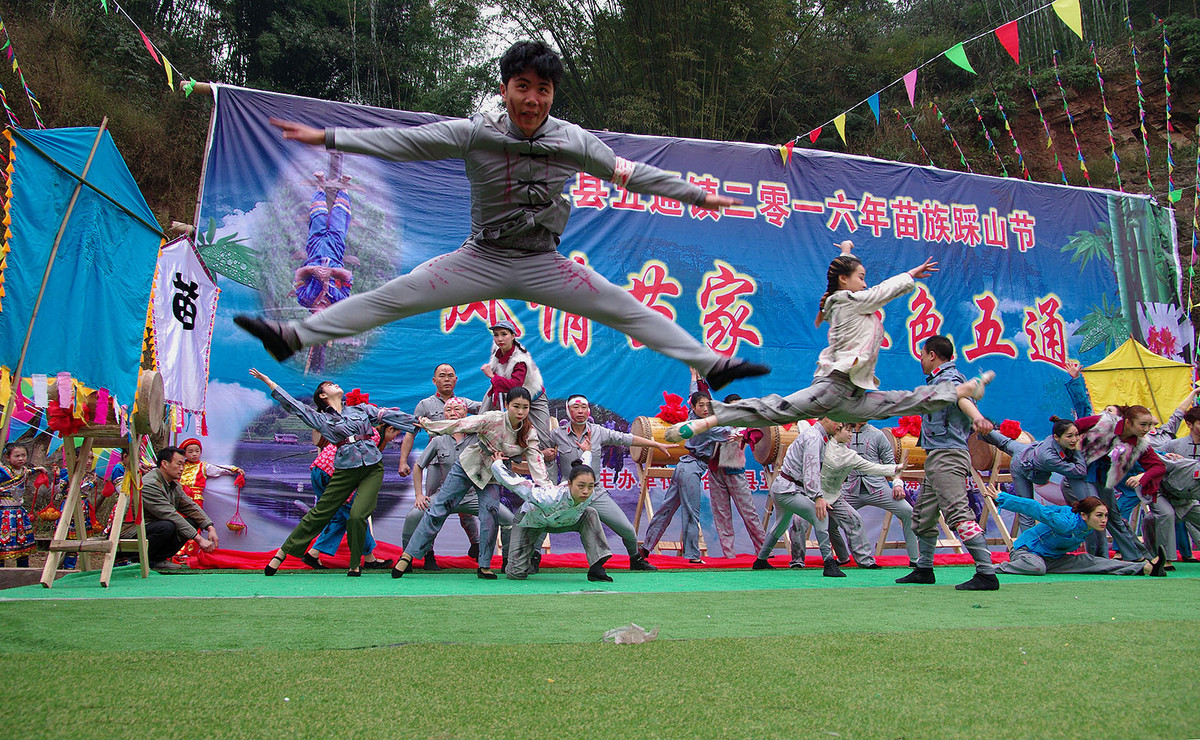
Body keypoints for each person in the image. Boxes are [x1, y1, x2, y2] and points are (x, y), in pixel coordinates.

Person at [234, 40, 767, 392]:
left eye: (543, 90)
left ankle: (711, 365)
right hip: (481, 258)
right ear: (505, 89)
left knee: (624, 307)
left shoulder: (574, 140)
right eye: (523, 87)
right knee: (394, 297)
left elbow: (631, 174)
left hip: (543, 262)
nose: (532, 100)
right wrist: (329, 137)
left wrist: (697, 196)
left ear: (552, 94)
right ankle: (294, 337)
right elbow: (403, 142)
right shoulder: (475, 133)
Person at [665, 243, 993, 442]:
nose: (865, 283)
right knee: (776, 409)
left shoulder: (846, 297)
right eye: (860, 277)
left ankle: (961, 391)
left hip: (853, 397)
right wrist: (910, 275)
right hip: (832, 387)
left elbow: (847, 277)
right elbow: (877, 293)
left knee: (901, 402)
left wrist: (846, 252)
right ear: (845, 281)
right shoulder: (847, 301)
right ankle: (705, 421)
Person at [249, 369, 417, 576]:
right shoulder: (320, 419)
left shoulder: (360, 410)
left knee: (357, 516)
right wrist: (268, 382)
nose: (335, 385)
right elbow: (294, 405)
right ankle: (282, 554)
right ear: (322, 395)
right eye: (329, 385)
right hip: (339, 469)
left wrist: (422, 422)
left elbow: (388, 415)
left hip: (372, 467)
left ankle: (355, 565)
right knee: (321, 512)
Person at [396, 386, 548, 579]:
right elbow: (460, 424)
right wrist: (430, 425)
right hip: (467, 466)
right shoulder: (492, 419)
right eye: (516, 406)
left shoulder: (528, 433)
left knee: (490, 516)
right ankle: (408, 556)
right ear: (507, 405)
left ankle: (484, 565)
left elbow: (536, 462)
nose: (520, 411)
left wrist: (545, 489)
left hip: (491, 475)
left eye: (525, 407)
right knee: (438, 509)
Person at [895, 335, 999, 591]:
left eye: (922, 355)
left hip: (947, 456)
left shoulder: (948, 379)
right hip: (937, 456)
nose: (921, 360)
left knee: (958, 513)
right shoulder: (943, 379)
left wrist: (977, 417)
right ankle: (924, 569)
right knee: (923, 516)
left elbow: (962, 399)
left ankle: (986, 573)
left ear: (932, 355)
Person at [545, 393, 671, 570]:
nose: (580, 411)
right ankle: (532, 556)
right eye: (575, 407)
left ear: (588, 411)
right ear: (568, 411)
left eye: (583, 407)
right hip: (568, 494)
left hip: (595, 493)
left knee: (627, 530)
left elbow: (625, 438)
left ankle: (635, 559)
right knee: (542, 521)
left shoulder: (598, 431)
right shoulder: (556, 434)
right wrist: (544, 453)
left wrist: (655, 444)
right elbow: (534, 449)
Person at [753, 419, 892, 576]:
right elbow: (811, 470)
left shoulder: (817, 436)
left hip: (784, 487)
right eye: (839, 423)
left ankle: (761, 560)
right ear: (827, 419)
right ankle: (829, 563)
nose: (840, 426)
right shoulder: (814, 437)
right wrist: (818, 497)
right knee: (820, 516)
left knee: (780, 525)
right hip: (790, 490)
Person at [404, 397, 504, 570]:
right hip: (446, 495)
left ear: (466, 413)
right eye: (448, 410)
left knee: (508, 519)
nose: (452, 413)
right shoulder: (438, 439)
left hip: (473, 496)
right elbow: (418, 466)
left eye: (457, 409)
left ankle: (508, 561)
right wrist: (419, 495)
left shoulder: (478, 436)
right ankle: (407, 560)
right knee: (413, 516)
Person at [981, 485, 1166, 577]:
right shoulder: (1066, 523)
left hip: (1054, 559)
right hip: (1027, 553)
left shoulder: (1087, 526)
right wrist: (1002, 498)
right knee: (1037, 567)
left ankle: (1146, 568)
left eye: (1105, 516)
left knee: (1093, 561)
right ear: (1084, 515)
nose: (1104, 520)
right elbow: (1036, 508)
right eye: (1099, 515)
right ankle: (993, 568)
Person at [491, 446, 613, 582]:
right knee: (516, 574)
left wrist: (587, 452)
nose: (586, 491)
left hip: (566, 521)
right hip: (532, 521)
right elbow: (516, 484)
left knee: (590, 513)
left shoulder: (589, 493)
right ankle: (529, 556)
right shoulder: (548, 496)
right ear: (569, 484)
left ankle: (596, 568)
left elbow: (584, 467)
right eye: (581, 486)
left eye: (590, 487)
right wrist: (497, 464)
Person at [1065, 405, 1163, 563]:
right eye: (1143, 425)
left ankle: (1138, 556)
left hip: (1102, 479)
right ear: (1128, 422)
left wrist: (1142, 477)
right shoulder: (1104, 423)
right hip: (1080, 474)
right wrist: (1073, 449)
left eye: (1149, 425)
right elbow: (1069, 429)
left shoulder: (1140, 443)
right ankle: (1098, 559)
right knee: (1094, 513)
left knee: (1113, 517)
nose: (1147, 429)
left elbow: (1159, 466)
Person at [638, 390, 724, 564]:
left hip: (683, 467)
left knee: (666, 508)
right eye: (701, 405)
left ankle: (645, 547)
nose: (705, 408)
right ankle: (692, 555)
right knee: (691, 512)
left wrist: (694, 378)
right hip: (690, 469)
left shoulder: (692, 417)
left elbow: (694, 394)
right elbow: (727, 431)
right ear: (693, 407)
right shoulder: (706, 427)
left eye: (708, 405)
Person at [303, 426, 396, 570]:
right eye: (396, 434)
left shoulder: (363, 428)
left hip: (319, 470)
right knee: (356, 516)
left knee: (339, 516)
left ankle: (313, 554)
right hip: (333, 474)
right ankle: (369, 558)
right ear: (389, 429)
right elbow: (358, 464)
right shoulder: (374, 435)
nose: (394, 439)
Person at [978, 418, 1087, 532]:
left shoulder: (1057, 441)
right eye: (1069, 436)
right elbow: (1080, 472)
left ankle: (981, 430)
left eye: (1077, 435)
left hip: (1027, 448)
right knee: (1026, 509)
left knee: (1006, 443)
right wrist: (1078, 451)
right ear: (1056, 437)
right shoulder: (1049, 458)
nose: (1075, 440)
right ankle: (1028, 542)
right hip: (1021, 465)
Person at [123, 446, 219, 570]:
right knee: (167, 526)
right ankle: (135, 560)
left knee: (192, 522)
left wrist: (210, 527)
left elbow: (190, 506)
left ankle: (157, 560)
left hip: (152, 527)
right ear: (164, 464)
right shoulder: (149, 484)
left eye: (183, 464)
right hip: (131, 531)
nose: (182, 468)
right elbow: (169, 514)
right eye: (178, 464)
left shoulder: (173, 484)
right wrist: (199, 539)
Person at [843, 422, 919, 565]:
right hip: (850, 489)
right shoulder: (842, 433)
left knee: (907, 511)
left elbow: (891, 464)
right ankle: (842, 559)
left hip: (877, 487)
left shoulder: (877, 435)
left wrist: (897, 484)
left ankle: (915, 560)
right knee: (828, 517)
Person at [396, 363, 481, 477]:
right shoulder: (425, 404)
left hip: (462, 459)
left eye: (450, 376)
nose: (447, 379)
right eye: (442, 376)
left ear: (456, 380)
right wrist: (403, 461)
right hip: (435, 459)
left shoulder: (463, 403)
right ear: (434, 380)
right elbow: (410, 434)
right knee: (433, 489)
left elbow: (485, 408)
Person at [481, 320, 551, 446]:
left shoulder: (520, 360)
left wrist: (492, 376)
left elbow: (515, 385)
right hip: (509, 395)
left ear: (513, 336)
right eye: (496, 335)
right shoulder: (497, 349)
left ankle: (544, 456)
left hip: (533, 398)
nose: (499, 339)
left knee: (543, 439)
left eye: (504, 334)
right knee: (484, 420)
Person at [294, 179, 355, 311]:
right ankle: (344, 188)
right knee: (339, 221)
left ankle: (320, 185)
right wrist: (331, 272)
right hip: (335, 253)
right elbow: (348, 277)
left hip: (314, 252)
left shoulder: (304, 299)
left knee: (317, 219)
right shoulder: (339, 301)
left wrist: (313, 270)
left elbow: (298, 274)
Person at [0, 442, 39, 567]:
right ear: (7, 457)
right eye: (17, 456)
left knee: (23, 543)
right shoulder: (3, 471)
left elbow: (29, 472)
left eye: (23, 455)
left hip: (19, 514)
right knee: (2, 544)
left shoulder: (24, 471)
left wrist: (39, 469)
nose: (21, 458)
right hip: (4, 514)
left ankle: (23, 570)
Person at [177, 438, 244, 507]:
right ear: (184, 454)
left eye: (197, 451)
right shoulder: (180, 466)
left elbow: (219, 469)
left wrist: (234, 469)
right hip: (179, 497)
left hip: (195, 499)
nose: (194, 454)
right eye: (190, 452)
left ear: (200, 452)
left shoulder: (203, 466)